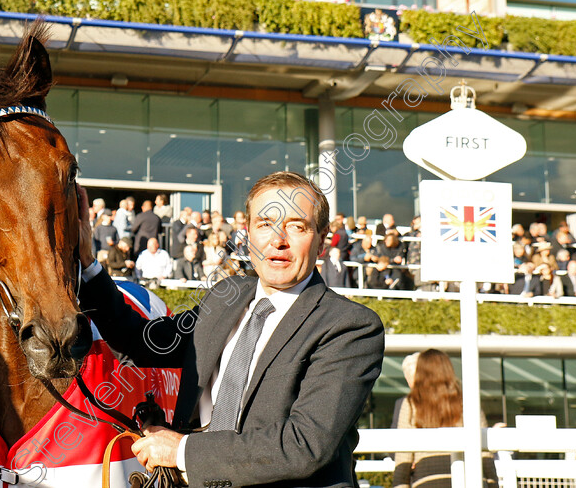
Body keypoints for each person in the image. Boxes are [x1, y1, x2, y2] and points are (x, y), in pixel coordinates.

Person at [76, 171, 384, 487]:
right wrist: (87, 264)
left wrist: (181, 451)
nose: (278, 239)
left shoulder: (350, 327)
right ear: (247, 236)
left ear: (321, 241)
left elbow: (304, 444)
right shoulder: (226, 297)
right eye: (265, 224)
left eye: (297, 226)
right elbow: (141, 343)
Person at [393, 349, 498, 488]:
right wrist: (492, 483)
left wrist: (399, 484)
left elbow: (403, 457)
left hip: (427, 481)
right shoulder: (467, 400)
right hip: (470, 479)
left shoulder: (411, 403)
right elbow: (484, 452)